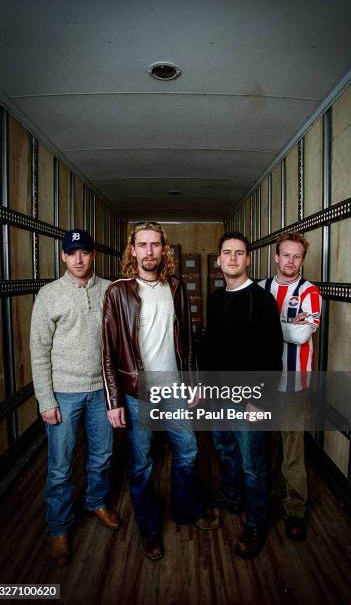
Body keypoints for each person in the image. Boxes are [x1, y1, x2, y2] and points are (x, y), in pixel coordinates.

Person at [101, 221, 220, 561]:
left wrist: (193, 382)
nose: (150, 251)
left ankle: (186, 510)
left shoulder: (177, 287)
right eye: (143, 245)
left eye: (156, 244)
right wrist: (113, 400)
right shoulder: (118, 292)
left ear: (163, 249)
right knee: (141, 465)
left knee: (189, 452)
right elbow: (108, 352)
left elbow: (188, 341)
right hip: (138, 393)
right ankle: (149, 529)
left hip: (175, 388)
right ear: (133, 250)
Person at [30, 229, 121, 568]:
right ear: (64, 257)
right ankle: (59, 528)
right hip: (64, 394)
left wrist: (117, 391)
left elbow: (118, 341)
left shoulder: (110, 290)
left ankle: (96, 502)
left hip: (101, 391)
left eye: (84, 252)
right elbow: (38, 351)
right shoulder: (49, 295)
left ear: (92, 255)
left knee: (102, 455)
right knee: (60, 466)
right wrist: (46, 400)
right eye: (73, 253)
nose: (79, 259)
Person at [203, 231, 283, 558]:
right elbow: (210, 347)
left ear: (248, 259)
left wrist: (257, 401)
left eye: (239, 253)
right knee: (225, 449)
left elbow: (272, 355)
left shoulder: (263, 301)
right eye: (227, 252)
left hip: (250, 397)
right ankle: (232, 495)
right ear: (219, 260)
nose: (233, 258)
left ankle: (256, 522)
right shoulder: (215, 299)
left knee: (254, 463)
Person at [258, 231, 322, 541]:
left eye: (297, 256)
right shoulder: (261, 289)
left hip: (295, 384)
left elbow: (301, 336)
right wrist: (285, 327)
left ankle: (295, 510)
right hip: (264, 384)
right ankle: (263, 501)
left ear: (302, 260)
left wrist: (272, 328)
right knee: (264, 446)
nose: (291, 261)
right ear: (276, 257)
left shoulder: (310, 292)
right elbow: (253, 332)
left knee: (293, 451)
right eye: (286, 255)